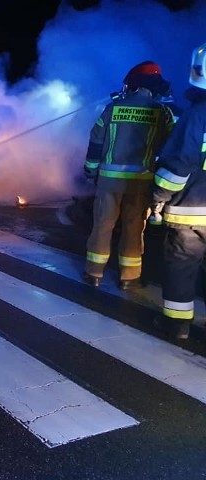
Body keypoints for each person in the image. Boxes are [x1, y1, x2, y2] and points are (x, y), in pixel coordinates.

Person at [81, 61, 175, 290]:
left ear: (133, 85)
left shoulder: (112, 109)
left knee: (103, 225)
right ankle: (129, 278)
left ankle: (94, 273)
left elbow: (95, 141)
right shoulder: (162, 113)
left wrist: (90, 170)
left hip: (109, 181)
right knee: (134, 228)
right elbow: (172, 146)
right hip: (141, 182)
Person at [150, 42, 206, 340]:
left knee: (182, 266)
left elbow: (177, 167)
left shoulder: (197, 115)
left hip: (192, 214)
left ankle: (177, 325)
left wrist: (158, 198)